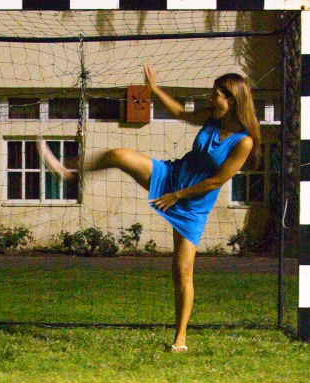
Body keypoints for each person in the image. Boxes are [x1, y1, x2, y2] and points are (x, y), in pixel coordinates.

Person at [38, 66, 260, 351]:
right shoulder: (210, 117)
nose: (210, 98)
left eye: (215, 95)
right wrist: (154, 90)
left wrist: (177, 196)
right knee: (118, 155)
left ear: (232, 100)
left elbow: (216, 180)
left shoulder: (243, 142)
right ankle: (70, 173)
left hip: (191, 205)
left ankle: (180, 340)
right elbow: (180, 112)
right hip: (171, 175)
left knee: (182, 270)